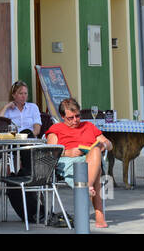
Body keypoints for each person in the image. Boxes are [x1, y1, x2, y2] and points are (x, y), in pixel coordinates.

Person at [46, 97, 112, 228]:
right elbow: (50, 152)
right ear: (63, 117)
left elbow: (109, 144)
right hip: (70, 161)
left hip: (91, 158)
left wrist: (104, 145)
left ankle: (87, 187)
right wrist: (68, 152)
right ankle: (99, 214)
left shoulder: (88, 126)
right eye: (71, 118)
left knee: (96, 152)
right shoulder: (56, 129)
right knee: (97, 169)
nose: (75, 120)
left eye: (77, 116)